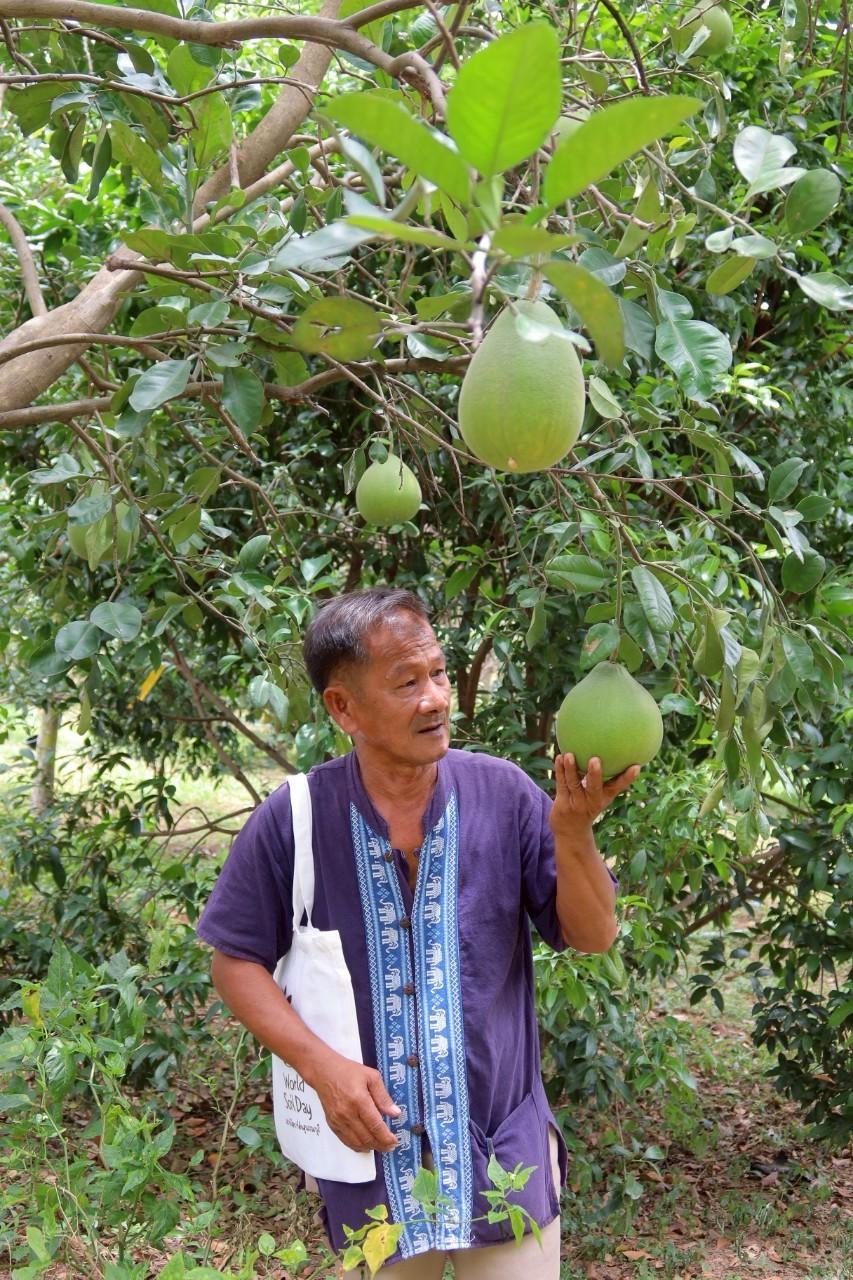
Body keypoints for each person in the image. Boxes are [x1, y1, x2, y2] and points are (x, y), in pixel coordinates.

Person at [195, 588, 638, 1278]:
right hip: (369, 1166)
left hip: (500, 1150)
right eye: (407, 682)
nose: (435, 697)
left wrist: (573, 833)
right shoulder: (294, 817)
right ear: (343, 708)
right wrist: (323, 1070)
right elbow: (235, 962)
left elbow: (592, 935)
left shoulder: (504, 794)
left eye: (436, 673)